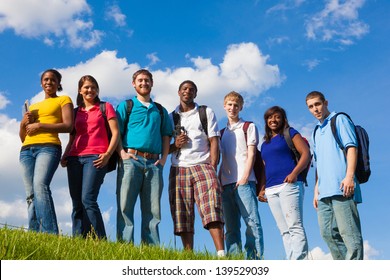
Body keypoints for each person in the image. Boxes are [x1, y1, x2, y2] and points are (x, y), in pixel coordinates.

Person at [115, 69, 172, 245]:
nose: (143, 83)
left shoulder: (160, 110)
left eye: (147, 80)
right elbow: (116, 132)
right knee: (125, 206)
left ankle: (151, 248)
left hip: (154, 163)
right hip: (131, 160)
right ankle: (125, 246)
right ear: (134, 84)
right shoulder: (126, 106)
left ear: (152, 83)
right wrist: (122, 153)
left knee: (153, 209)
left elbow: (166, 136)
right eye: (140, 80)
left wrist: (163, 160)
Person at [169, 80, 225, 257]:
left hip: (203, 164)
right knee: (182, 212)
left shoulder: (205, 112)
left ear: (195, 94)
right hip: (179, 167)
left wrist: (213, 165)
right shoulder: (171, 117)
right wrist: (175, 144)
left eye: (191, 90)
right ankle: (188, 256)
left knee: (212, 207)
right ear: (179, 92)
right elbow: (164, 147)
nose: (187, 92)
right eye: (184, 89)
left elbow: (214, 140)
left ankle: (221, 253)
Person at [306, 91, 363, 260]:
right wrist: (316, 189)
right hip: (324, 191)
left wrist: (349, 176)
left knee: (350, 235)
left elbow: (351, 147)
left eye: (318, 104)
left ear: (325, 102)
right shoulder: (315, 131)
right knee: (328, 234)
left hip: (342, 186)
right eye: (311, 106)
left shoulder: (339, 119)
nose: (315, 109)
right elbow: (318, 163)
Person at [61, 75, 119, 239]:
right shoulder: (75, 112)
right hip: (74, 158)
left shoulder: (105, 107)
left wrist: (107, 155)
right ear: (80, 90)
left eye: (93, 87)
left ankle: (100, 240)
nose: (90, 90)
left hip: (96, 157)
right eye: (86, 87)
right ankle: (78, 240)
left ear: (97, 90)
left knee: (88, 199)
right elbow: (72, 137)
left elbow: (115, 133)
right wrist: (65, 155)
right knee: (77, 203)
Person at [19, 69, 73, 234]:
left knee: (40, 186)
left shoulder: (64, 100)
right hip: (26, 149)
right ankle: (34, 233)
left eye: (53, 80)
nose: (49, 82)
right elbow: (23, 136)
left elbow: (68, 125)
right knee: (30, 194)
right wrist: (23, 123)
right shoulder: (34, 106)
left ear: (58, 83)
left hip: (49, 147)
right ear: (41, 83)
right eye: (46, 80)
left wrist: (40, 125)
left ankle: (49, 233)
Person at [259, 106, 310, 260]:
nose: (273, 120)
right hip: (271, 189)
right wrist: (262, 189)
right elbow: (264, 168)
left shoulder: (290, 133)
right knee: (284, 230)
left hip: (289, 185)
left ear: (283, 119)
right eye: (270, 117)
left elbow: (306, 154)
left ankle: (298, 261)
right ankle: (290, 260)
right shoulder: (264, 144)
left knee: (295, 226)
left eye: (277, 117)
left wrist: (294, 173)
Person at [219, 91, 264, 259]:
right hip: (225, 184)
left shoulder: (248, 127)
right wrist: (218, 179)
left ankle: (254, 259)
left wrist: (245, 177)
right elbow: (223, 159)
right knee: (231, 227)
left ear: (241, 107)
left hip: (245, 181)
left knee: (252, 222)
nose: (232, 108)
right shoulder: (221, 132)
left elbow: (251, 154)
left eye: (236, 105)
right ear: (224, 106)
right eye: (229, 105)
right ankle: (234, 261)